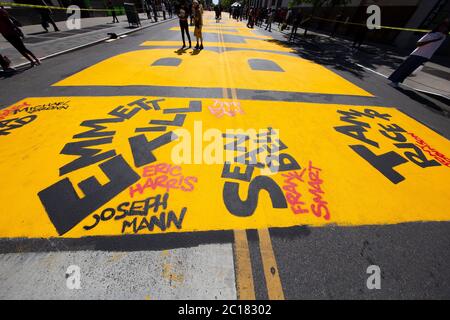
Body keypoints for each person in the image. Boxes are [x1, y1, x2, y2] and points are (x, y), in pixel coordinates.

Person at [388, 20, 449, 87]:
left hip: (425, 56)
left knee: (409, 70)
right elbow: (418, 44)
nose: (443, 28)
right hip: (417, 54)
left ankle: (397, 82)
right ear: (438, 27)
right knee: (404, 68)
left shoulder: (443, 36)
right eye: (442, 26)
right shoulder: (431, 34)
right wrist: (434, 40)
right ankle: (394, 81)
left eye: (445, 27)